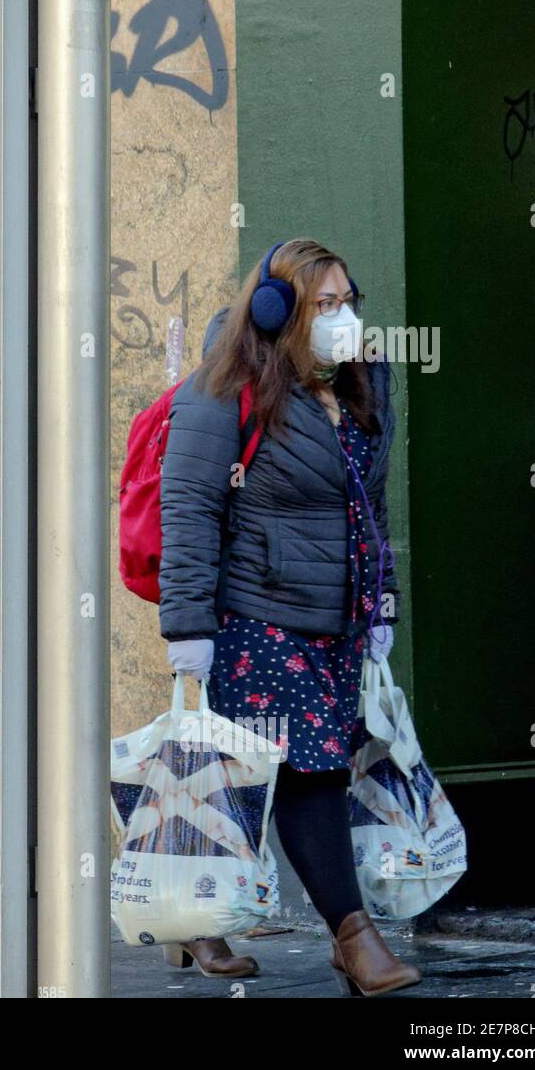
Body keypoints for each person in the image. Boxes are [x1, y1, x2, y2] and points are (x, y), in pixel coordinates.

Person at [157, 239, 422, 996]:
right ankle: (354, 936)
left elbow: (371, 510)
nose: (344, 319)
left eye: (349, 301)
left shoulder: (366, 386)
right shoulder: (226, 387)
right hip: (257, 616)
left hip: (336, 620)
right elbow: (190, 504)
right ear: (279, 313)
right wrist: (188, 628)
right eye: (325, 305)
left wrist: (383, 601)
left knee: (244, 779)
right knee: (310, 773)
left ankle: (192, 917)